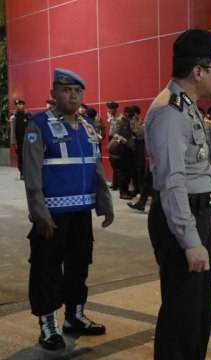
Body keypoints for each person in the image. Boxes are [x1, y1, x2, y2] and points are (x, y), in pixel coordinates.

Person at [144, 28, 211, 360]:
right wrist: (190, 240)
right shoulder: (169, 111)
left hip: (200, 213)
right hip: (185, 219)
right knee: (183, 313)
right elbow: (172, 182)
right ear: (198, 71)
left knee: (198, 311)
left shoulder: (189, 107)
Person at [22, 68, 114, 350]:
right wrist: (39, 213)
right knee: (47, 268)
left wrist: (105, 204)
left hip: (81, 213)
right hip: (51, 215)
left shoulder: (86, 125)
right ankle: (47, 323)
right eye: (66, 90)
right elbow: (32, 173)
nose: (72, 95)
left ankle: (74, 315)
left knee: (79, 264)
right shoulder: (39, 125)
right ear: (53, 94)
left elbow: (96, 167)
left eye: (77, 91)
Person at [9, 98, 31, 179]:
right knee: (21, 157)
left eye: (22, 104)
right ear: (16, 106)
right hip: (19, 142)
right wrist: (14, 143)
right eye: (19, 105)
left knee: (28, 157)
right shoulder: (14, 117)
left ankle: (27, 172)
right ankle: (22, 173)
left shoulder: (28, 115)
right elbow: (13, 131)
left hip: (29, 140)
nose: (21, 106)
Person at [106, 101, 123, 190]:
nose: (108, 110)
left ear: (114, 109)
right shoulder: (111, 117)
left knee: (118, 162)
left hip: (117, 139)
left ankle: (118, 184)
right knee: (112, 161)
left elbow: (117, 128)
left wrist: (110, 118)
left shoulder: (120, 117)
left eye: (109, 108)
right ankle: (115, 183)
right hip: (111, 138)